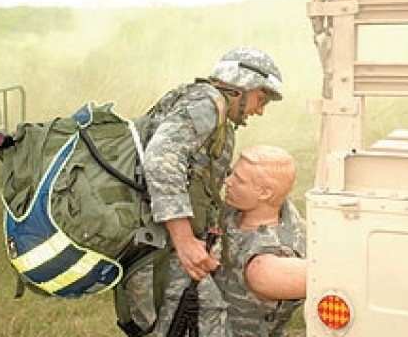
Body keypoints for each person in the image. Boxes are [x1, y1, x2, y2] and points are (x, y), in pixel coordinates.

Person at [124, 47, 284, 337]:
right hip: (163, 247)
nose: (259, 110)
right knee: (206, 323)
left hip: (159, 244)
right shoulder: (208, 104)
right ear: (241, 86)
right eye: (261, 99)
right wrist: (184, 240)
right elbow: (161, 158)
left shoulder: (212, 110)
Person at [214, 145, 307, 337]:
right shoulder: (233, 213)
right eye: (232, 174)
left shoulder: (263, 266)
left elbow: (333, 278)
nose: (227, 181)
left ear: (265, 193)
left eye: (239, 180)